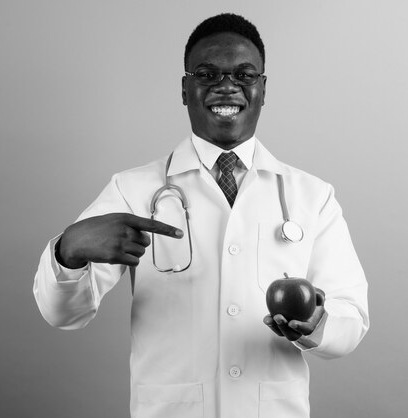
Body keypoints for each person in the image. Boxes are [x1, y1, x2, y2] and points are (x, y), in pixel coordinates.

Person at [33, 13, 369, 418]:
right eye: (207, 73)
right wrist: (69, 250)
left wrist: (316, 324)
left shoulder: (312, 196)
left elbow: (351, 319)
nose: (227, 86)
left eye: (245, 75)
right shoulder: (133, 189)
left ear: (263, 89)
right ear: (184, 88)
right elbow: (62, 314)